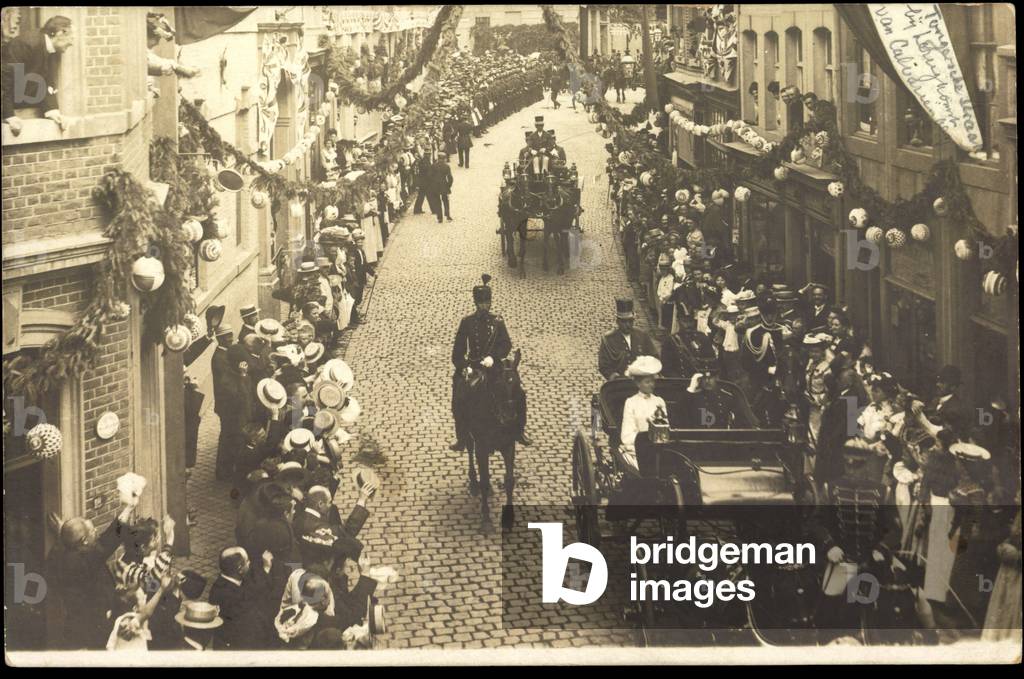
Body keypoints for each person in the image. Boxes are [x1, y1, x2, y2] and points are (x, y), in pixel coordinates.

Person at [450, 274, 531, 451]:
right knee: (459, 397)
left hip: (494, 368)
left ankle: (519, 430)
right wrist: (465, 368)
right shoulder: (467, 322)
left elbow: (506, 344)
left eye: (488, 303)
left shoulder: (497, 322)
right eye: (482, 303)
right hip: (474, 368)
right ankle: (462, 436)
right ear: (476, 303)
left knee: (519, 393)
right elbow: (457, 353)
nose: (485, 306)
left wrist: (494, 357)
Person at [45, 500, 136, 649]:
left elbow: (67, 543)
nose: (96, 533)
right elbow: (109, 540)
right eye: (93, 531)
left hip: (74, 623)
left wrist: (63, 533)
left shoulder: (58, 556)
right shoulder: (84, 560)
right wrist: (130, 506)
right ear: (84, 541)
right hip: (93, 626)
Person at [2, 15, 74, 136]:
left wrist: (52, 111)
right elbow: (5, 79)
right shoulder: (26, 45)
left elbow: (46, 79)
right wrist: (9, 115)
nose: (72, 42)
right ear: (59, 33)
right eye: (71, 36)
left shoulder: (49, 48)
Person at [208, 546, 273, 650]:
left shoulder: (223, 583)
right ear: (239, 568)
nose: (249, 563)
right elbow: (254, 595)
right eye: (247, 561)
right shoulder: (232, 596)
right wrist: (266, 568)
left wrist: (266, 568)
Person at [620, 355, 668, 472]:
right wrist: (645, 440)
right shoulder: (631, 402)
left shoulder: (659, 401)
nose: (651, 384)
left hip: (660, 448)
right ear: (638, 384)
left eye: (652, 381)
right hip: (638, 448)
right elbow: (627, 434)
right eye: (647, 382)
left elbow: (666, 426)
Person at [598, 298, 658, 381]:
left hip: (641, 382)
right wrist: (613, 376)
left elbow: (654, 356)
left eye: (630, 321)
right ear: (617, 322)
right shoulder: (609, 339)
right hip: (620, 384)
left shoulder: (642, 335)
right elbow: (604, 365)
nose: (628, 325)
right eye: (624, 322)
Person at [427, 152, 453, 223]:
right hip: (444, 185)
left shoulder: (433, 166)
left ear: (438, 158)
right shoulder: (446, 166)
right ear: (444, 158)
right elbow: (450, 178)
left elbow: (429, 176)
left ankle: (439, 218)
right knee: (446, 201)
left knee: (437, 202)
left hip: (435, 186)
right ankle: (447, 216)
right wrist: (448, 185)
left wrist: (432, 184)